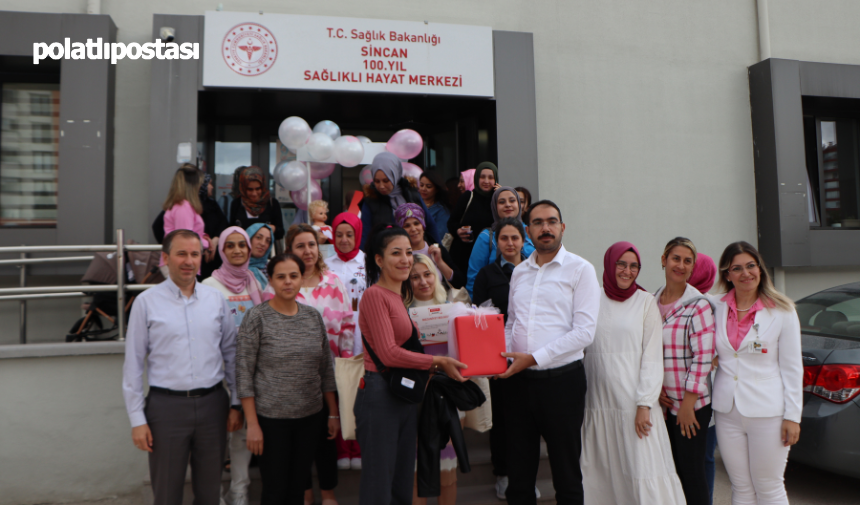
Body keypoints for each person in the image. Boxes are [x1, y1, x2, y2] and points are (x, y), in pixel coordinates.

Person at [122, 229, 242, 505]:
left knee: (210, 493)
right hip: (166, 410)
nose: (189, 261)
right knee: (166, 493)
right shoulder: (146, 303)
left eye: (195, 254)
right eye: (181, 254)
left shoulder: (216, 301)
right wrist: (137, 420)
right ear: (165, 258)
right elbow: (133, 366)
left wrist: (235, 403)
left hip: (214, 406)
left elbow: (232, 354)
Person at [498, 200, 601, 504]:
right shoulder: (520, 272)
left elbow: (584, 332)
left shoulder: (581, 269)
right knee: (519, 474)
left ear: (562, 227)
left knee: (566, 473)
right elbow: (512, 322)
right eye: (538, 222)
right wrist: (500, 355)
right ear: (528, 230)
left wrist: (534, 357)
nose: (545, 228)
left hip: (562, 383)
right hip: (517, 382)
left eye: (552, 221)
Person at [356, 225, 467, 505]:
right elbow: (389, 354)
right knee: (379, 483)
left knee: (402, 480)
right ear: (379, 260)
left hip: (403, 395)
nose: (405, 259)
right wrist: (437, 362)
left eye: (408, 252)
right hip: (380, 394)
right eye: (396, 253)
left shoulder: (398, 298)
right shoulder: (374, 295)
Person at [580, 241, 686, 504]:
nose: (627, 271)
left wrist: (644, 404)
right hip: (597, 403)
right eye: (621, 264)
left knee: (641, 469)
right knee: (603, 473)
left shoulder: (646, 302)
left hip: (633, 404)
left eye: (634, 266)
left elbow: (652, 358)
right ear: (609, 264)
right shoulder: (590, 299)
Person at [236, 253, 340, 505]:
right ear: (270, 280)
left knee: (297, 489)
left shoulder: (313, 317)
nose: (287, 282)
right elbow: (243, 372)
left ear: (301, 278)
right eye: (280, 277)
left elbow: (325, 369)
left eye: (293, 276)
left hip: (310, 418)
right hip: (271, 421)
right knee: (274, 490)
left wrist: (333, 413)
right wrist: (252, 424)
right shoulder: (256, 317)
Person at [712, 242, 802, 505]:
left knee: (769, 487)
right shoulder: (714, 306)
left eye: (750, 266)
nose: (745, 273)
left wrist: (793, 416)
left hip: (769, 413)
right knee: (740, 487)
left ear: (760, 269)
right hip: (727, 411)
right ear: (727, 275)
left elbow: (792, 367)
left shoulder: (783, 311)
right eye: (736, 268)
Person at [285, 223, 354, 505]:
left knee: (327, 435)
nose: (308, 251)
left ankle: (328, 494)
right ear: (290, 250)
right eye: (300, 246)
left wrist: (346, 363)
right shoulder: (283, 282)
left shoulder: (334, 281)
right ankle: (305, 493)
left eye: (311, 244)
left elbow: (348, 324)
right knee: (298, 441)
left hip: (331, 373)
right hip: (292, 378)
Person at [200, 227, 264, 505]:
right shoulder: (208, 287)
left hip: (250, 371)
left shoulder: (255, 281)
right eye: (231, 246)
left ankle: (239, 490)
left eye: (242, 245)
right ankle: (214, 494)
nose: (237, 250)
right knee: (215, 439)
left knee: (241, 435)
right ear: (222, 251)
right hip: (217, 373)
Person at [654, 237, 715, 505]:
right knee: (670, 473)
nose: (680, 265)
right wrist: (655, 391)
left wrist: (688, 404)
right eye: (675, 258)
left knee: (692, 473)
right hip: (662, 405)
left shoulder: (698, 305)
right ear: (664, 260)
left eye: (687, 261)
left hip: (691, 406)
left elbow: (703, 357)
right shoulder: (651, 302)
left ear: (692, 268)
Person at [469, 217, 526, 499]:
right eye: (504, 238)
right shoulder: (486, 275)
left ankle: (525, 477)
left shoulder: (535, 270)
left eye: (515, 237)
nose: (510, 243)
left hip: (531, 356)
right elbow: (478, 319)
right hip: (500, 358)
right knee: (502, 419)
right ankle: (503, 474)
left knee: (527, 420)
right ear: (497, 242)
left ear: (522, 240)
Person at [402, 253, 459, 505]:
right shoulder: (400, 315)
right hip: (414, 400)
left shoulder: (454, 310)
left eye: (427, 274)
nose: (423, 281)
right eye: (415, 277)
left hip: (446, 399)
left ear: (435, 276)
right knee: (416, 470)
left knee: (448, 472)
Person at [324, 212, 366, 470]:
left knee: (361, 388)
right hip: (336, 332)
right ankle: (341, 449)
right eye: (338, 235)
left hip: (364, 332)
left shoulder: (369, 261)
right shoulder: (325, 264)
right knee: (340, 386)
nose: (344, 240)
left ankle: (359, 447)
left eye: (349, 234)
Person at [359, 152, 441, 250]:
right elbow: (365, 235)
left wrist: (440, 251)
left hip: (416, 253)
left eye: (386, 181)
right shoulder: (370, 201)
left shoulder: (411, 193)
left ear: (395, 175)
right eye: (377, 181)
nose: (381, 186)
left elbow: (429, 224)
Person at [687, 253, 719, 505]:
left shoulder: (711, 306)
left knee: (702, 458)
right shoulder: (671, 300)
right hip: (675, 394)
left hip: (705, 398)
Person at [465, 186, 535, 297]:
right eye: (502, 202)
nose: (508, 204)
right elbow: (474, 279)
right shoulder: (486, 237)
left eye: (512, 200)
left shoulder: (532, 233)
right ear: (494, 207)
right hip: (495, 305)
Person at [394, 203, 464, 289]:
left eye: (416, 223)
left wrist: (440, 262)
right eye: (407, 226)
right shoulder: (398, 256)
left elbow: (459, 282)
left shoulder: (437, 249)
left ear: (423, 226)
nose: (413, 229)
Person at [447, 163, 498, 275]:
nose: (486, 181)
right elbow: (451, 222)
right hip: (464, 255)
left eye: (490, 177)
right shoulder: (468, 197)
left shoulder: (497, 201)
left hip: (489, 256)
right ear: (476, 178)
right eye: (482, 177)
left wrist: (501, 195)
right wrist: (458, 231)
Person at [158, 165, 210, 277]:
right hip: (181, 264)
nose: (200, 187)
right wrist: (207, 244)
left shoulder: (181, 206)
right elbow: (186, 240)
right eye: (199, 184)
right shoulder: (183, 208)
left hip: (179, 262)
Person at [229, 166, 285, 243]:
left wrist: (273, 228)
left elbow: (281, 233)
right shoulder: (237, 204)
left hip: (265, 252)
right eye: (250, 189)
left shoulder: (272, 203)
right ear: (243, 188)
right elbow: (231, 231)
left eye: (258, 189)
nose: (254, 193)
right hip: (242, 252)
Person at [418, 170, 451, 238]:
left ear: (437, 189)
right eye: (421, 185)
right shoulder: (413, 205)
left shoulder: (442, 211)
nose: (423, 189)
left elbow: (439, 235)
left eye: (428, 186)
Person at [246, 223, 274, 291]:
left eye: (268, 241)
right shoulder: (233, 268)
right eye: (258, 237)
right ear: (249, 239)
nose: (263, 243)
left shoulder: (272, 268)